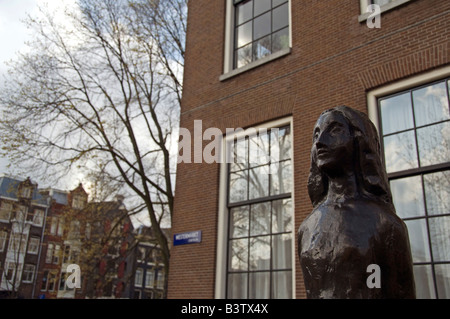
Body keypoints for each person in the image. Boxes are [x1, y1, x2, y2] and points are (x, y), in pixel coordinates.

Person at [298, 105, 416, 299]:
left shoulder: (385, 225)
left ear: (359, 141)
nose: (319, 142)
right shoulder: (306, 229)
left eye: (334, 130)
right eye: (316, 134)